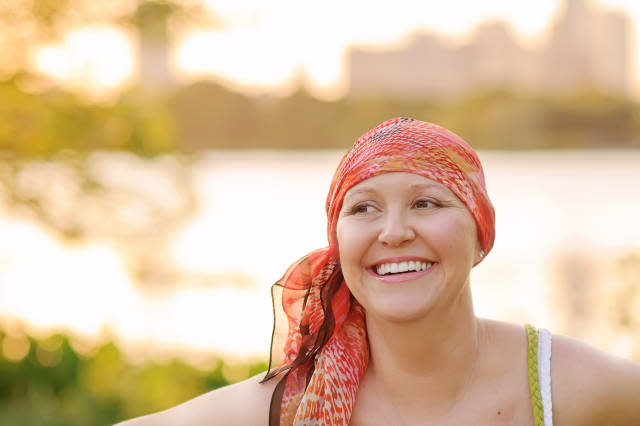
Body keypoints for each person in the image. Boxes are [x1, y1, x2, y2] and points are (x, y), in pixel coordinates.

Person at [117, 118, 640, 426]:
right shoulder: (290, 405)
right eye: (363, 208)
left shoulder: (560, 386)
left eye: (428, 203)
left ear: (481, 232)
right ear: (338, 241)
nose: (393, 231)